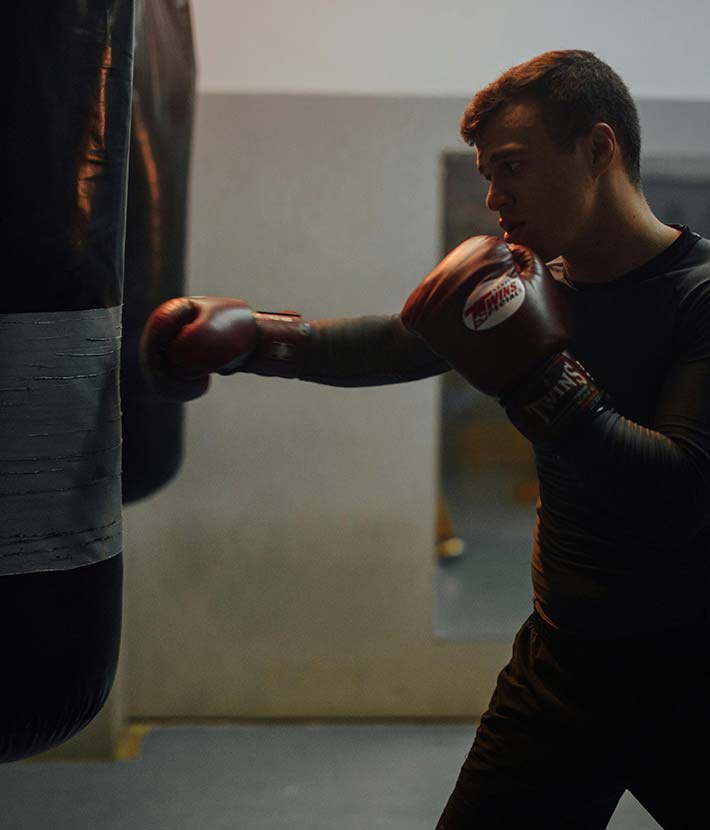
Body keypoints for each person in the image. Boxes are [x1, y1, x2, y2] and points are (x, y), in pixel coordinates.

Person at [140, 50, 710, 828]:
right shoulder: (540, 287)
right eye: (487, 173)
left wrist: (539, 382)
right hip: (563, 668)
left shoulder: (698, 299)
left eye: (512, 166)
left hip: (690, 672)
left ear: (598, 149)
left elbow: (679, 493)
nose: (494, 196)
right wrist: (260, 340)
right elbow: (398, 343)